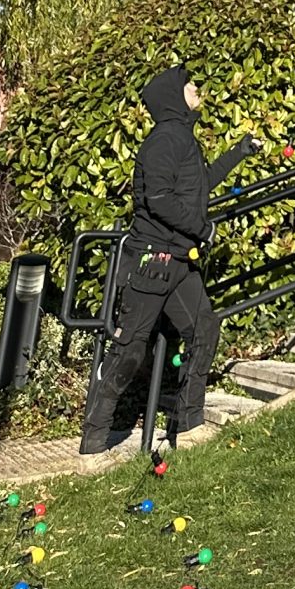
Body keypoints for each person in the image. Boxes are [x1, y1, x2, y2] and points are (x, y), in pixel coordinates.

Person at [80, 65, 259, 452]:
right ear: (174, 96)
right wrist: (202, 229)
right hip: (151, 261)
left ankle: (189, 424)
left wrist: (240, 152)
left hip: (179, 263)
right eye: (190, 86)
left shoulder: (183, 138)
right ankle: (93, 444)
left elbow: (201, 185)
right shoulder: (163, 141)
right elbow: (158, 200)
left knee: (204, 329)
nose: (197, 89)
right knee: (129, 351)